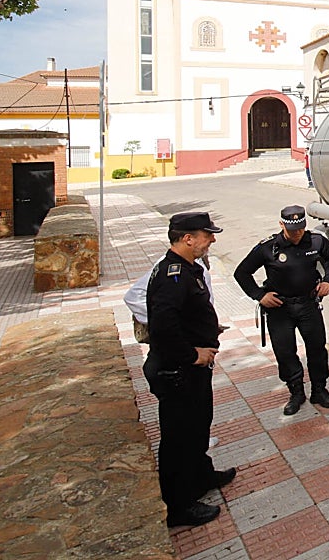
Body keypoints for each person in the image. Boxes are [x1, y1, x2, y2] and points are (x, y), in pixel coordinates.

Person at [144, 211, 236, 528]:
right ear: (188, 239)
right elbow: (162, 326)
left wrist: (207, 330)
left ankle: (200, 476)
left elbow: (185, 315)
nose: (212, 239)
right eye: (207, 235)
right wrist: (191, 354)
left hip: (191, 370)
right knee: (178, 439)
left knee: (198, 426)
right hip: (177, 371)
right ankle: (179, 506)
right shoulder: (173, 274)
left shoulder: (188, 268)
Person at [233, 205, 329, 415]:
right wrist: (259, 295)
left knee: (317, 349)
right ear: (282, 225)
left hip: (308, 305)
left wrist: (328, 280)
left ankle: (319, 390)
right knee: (285, 352)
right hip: (280, 309)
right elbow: (242, 272)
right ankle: (296, 393)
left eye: (300, 228)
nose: (297, 234)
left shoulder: (316, 241)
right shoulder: (268, 247)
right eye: (292, 230)